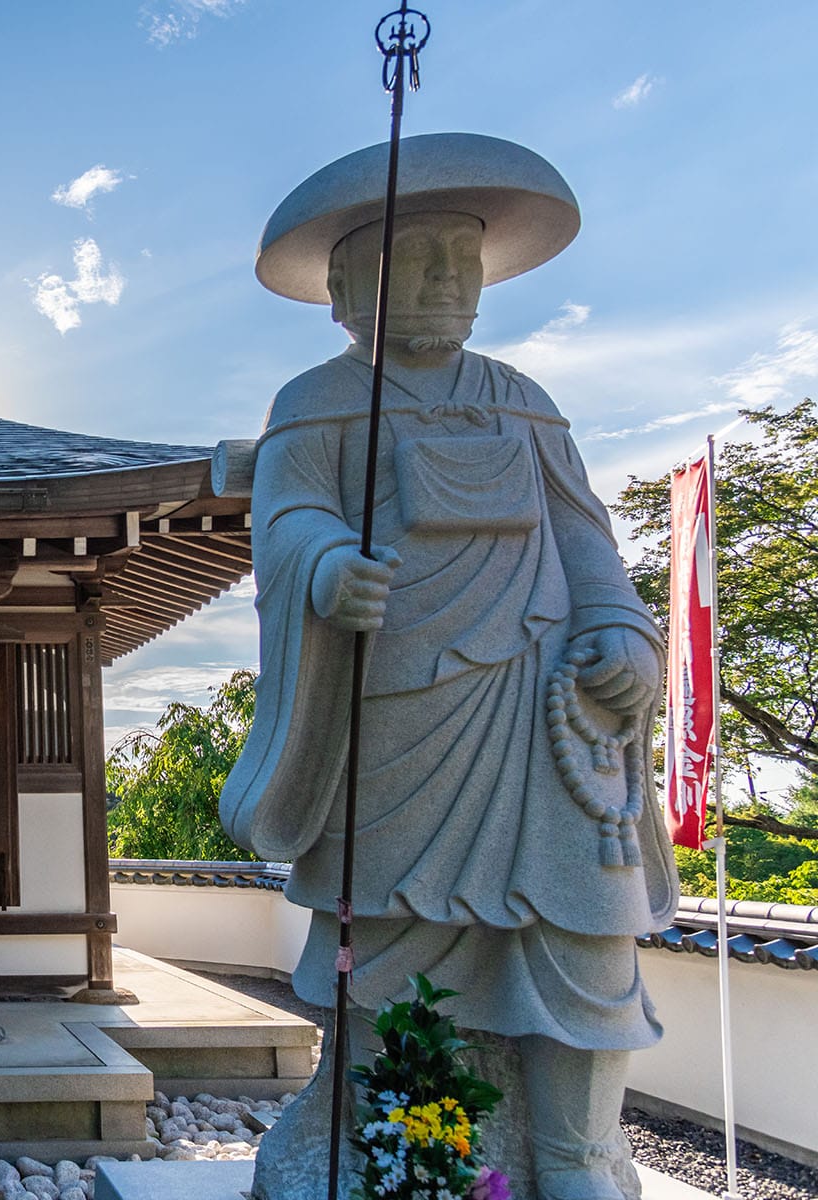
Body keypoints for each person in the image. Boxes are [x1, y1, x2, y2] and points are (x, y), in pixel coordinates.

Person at [220, 134, 678, 1200]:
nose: (445, 279)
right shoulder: (319, 401)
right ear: (347, 284)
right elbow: (285, 521)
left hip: (546, 709)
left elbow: (588, 543)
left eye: (460, 258)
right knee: (394, 940)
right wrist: (327, 568)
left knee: (585, 936)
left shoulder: (521, 401)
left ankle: (571, 1153)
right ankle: (406, 1146)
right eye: (416, 256)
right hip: (400, 709)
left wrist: (623, 633)